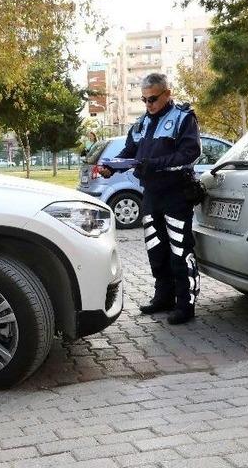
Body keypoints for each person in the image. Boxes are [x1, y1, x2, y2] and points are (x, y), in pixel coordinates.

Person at [100, 73, 201, 325]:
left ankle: (185, 304)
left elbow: (190, 153)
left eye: (153, 99)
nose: (149, 105)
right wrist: (112, 167)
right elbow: (129, 152)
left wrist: (153, 164)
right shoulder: (142, 122)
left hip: (176, 193)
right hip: (151, 195)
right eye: (144, 100)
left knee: (180, 250)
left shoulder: (183, 118)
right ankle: (163, 297)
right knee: (156, 249)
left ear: (167, 93)